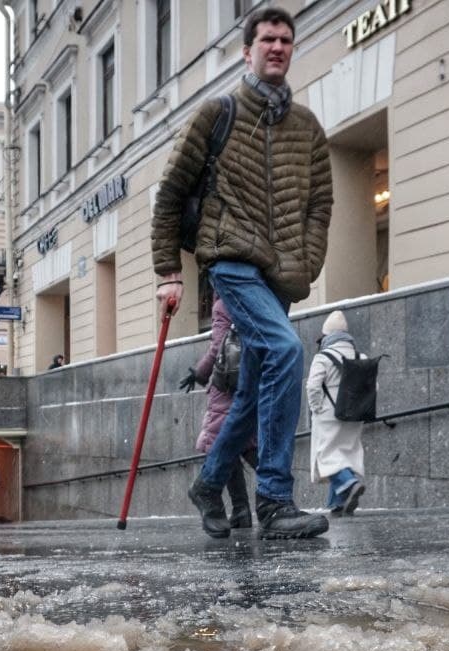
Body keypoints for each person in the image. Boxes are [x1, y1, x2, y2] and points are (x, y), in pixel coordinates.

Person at [153, 6, 332, 539]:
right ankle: (275, 498)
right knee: (284, 352)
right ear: (247, 50)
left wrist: (309, 258)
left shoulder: (308, 128)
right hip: (230, 260)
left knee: (254, 392)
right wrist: (169, 271)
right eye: (267, 39)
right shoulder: (219, 112)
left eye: (285, 40)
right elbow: (169, 196)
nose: (277, 47)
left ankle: (209, 483)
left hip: (281, 278)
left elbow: (320, 204)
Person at [178, 296, 256, 529]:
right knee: (246, 443)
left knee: (227, 443)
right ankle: (248, 507)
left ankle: (243, 505)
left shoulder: (224, 304)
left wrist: (199, 372)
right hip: (250, 377)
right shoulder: (249, 299)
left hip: (228, 384)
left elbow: (219, 344)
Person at [307, 310, 365, 515]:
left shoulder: (323, 357)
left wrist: (317, 407)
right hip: (355, 413)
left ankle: (349, 484)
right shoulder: (361, 356)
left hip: (329, 415)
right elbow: (372, 386)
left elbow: (313, 386)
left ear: (328, 336)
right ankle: (338, 503)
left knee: (327, 456)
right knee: (345, 453)